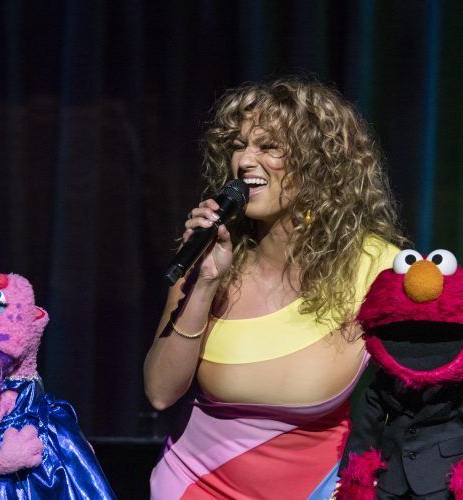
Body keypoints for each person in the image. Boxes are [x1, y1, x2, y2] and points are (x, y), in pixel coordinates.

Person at [144, 77, 406, 499]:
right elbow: (160, 392)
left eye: (268, 148)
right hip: (192, 487)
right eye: (239, 145)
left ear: (320, 162)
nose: (245, 161)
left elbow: (422, 393)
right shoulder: (209, 254)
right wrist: (205, 282)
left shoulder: (378, 269)